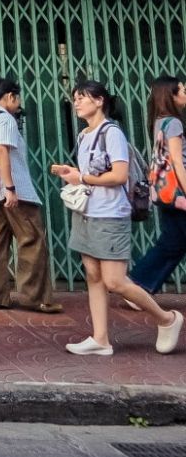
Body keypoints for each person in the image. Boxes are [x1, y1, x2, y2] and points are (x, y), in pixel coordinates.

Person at [49, 81, 183, 357]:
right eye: (75, 98)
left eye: (82, 97)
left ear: (99, 101)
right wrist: (72, 172)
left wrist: (81, 177)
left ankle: (167, 319)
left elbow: (120, 175)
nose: (76, 102)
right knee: (93, 275)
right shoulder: (84, 135)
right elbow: (94, 173)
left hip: (110, 215)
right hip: (86, 212)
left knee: (115, 281)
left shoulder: (112, 133)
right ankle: (100, 338)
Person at [0, 78, 61, 314]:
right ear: (10, 97)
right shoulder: (4, 118)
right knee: (31, 239)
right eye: (18, 98)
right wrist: (11, 188)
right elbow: (1, 149)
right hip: (12, 191)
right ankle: (36, 298)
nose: (19, 103)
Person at [129, 77, 186, 295]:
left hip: (165, 192)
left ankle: (137, 287)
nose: (184, 92)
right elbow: (177, 161)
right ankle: (137, 287)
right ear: (170, 95)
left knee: (174, 242)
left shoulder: (159, 121)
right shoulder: (173, 122)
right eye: (181, 89)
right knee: (173, 242)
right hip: (178, 193)